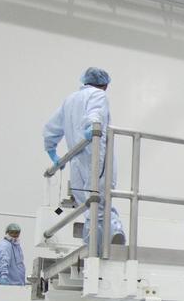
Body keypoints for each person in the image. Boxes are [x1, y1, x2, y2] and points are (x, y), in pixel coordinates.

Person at [43, 67, 125, 248]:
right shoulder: (99, 95)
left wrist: (52, 151)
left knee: (89, 205)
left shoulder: (69, 100)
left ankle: (93, 244)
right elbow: (96, 113)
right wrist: (92, 127)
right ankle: (114, 231)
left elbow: (51, 127)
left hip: (76, 159)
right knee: (101, 198)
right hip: (96, 153)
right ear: (105, 85)